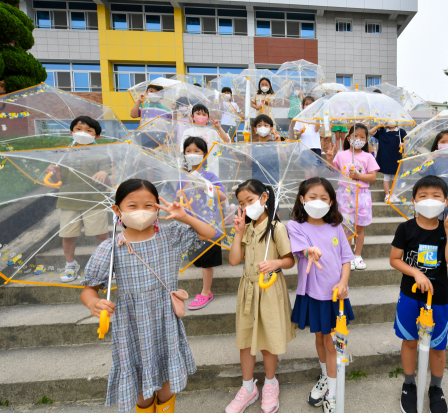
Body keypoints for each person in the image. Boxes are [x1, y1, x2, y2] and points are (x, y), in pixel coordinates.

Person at [80, 178, 218, 413]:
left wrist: (184, 216)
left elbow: (210, 233)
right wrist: (93, 302)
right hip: (132, 324)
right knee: (142, 394)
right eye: (132, 206)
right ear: (117, 210)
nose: (141, 212)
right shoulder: (111, 248)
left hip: (165, 320)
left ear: (157, 207)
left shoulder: (171, 235)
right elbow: (89, 288)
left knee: (166, 387)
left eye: (149, 205)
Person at [390, 176, 448, 413]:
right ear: (413, 201)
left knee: (437, 347)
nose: (429, 200)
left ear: (445, 201)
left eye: (436, 196)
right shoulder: (405, 228)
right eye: (423, 196)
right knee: (410, 341)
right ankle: (409, 384)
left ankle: (436, 388)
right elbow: (394, 259)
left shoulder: (445, 229)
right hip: (410, 296)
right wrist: (416, 274)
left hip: (438, 298)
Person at [226, 179, 296, 413]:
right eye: (241, 203)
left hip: (269, 289)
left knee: (267, 341)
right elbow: (235, 260)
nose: (246, 206)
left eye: (250, 200)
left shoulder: (277, 228)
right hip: (247, 289)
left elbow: (289, 260)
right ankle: (248, 387)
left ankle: (270, 383)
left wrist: (275, 262)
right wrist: (237, 234)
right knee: (245, 340)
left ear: (264, 198)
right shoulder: (245, 227)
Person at [287, 178, 354, 413]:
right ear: (301, 199)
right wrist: (310, 251)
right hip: (312, 294)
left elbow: (347, 258)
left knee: (331, 341)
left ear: (331, 201)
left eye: (324, 198)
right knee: (319, 338)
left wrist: (344, 282)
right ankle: (326, 376)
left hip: (335, 295)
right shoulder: (295, 226)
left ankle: (332, 393)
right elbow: (302, 248)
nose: (318, 202)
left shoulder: (337, 227)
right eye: (312, 197)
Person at [45, 116, 111, 283]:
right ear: (71, 132)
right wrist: (53, 173)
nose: (83, 133)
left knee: (102, 234)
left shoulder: (101, 154)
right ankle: (71, 265)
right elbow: (57, 180)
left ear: (96, 136)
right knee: (68, 235)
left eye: (89, 130)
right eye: (79, 129)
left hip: (94, 200)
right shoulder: (63, 154)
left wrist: (104, 174)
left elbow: (108, 180)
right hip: (68, 200)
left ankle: (109, 264)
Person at [180, 137, 226, 311]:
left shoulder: (209, 176)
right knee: (198, 257)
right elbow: (178, 196)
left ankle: (206, 291)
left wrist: (203, 186)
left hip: (209, 224)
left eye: (197, 151)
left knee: (207, 260)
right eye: (189, 151)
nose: (192, 154)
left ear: (204, 154)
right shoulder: (182, 176)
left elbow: (223, 196)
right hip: (190, 223)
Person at [328, 123, 379, 270]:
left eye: (363, 137)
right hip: (345, 195)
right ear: (349, 138)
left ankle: (358, 255)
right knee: (345, 227)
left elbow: (373, 177)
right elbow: (332, 173)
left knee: (359, 228)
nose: (359, 139)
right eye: (355, 136)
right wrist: (331, 159)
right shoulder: (341, 155)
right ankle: (347, 256)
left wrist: (357, 176)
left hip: (362, 196)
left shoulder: (368, 156)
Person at [370, 124, 407, 203]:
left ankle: (394, 195)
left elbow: (407, 141)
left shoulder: (401, 131)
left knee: (395, 178)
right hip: (385, 157)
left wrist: (403, 144)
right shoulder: (382, 131)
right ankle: (387, 195)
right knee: (386, 177)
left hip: (396, 157)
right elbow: (370, 132)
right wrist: (380, 124)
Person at [251, 115, 282, 188]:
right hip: (257, 181)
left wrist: (279, 144)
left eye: (265, 125)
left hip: (273, 181)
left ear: (271, 129)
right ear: (255, 129)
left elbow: (283, 158)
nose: (262, 128)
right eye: (259, 125)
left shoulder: (274, 143)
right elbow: (250, 164)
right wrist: (248, 151)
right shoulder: (253, 146)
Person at [251, 77, 275, 142]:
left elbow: (273, 103)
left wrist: (266, 102)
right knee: (260, 131)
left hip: (268, 116)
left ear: (269, 86)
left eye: (266, 84)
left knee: (269, 131)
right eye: (262, 84)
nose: (264, 86)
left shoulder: (272, 94)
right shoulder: (256, 94)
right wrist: (256, 107)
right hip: (259, 116)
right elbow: (252, 103)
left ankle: (270, 144)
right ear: (259, 85)